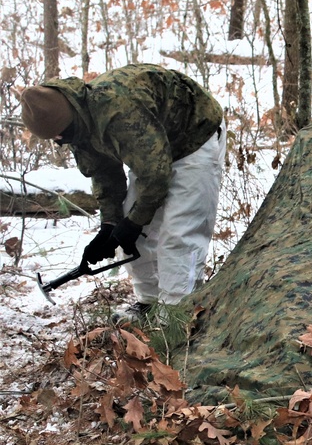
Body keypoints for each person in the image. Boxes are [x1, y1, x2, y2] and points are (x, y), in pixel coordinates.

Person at [20, 63, 226, 320]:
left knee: (179, 233)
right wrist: (109, 224)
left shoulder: (117, 111)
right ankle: (149, 303)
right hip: (149, 152)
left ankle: (177, 315)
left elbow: (157, 176)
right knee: (130, 233)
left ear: (66, 122)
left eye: (59, 136)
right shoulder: (76, 124)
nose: (58, 141)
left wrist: (133, 223)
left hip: (194, 136)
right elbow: (104, 173)